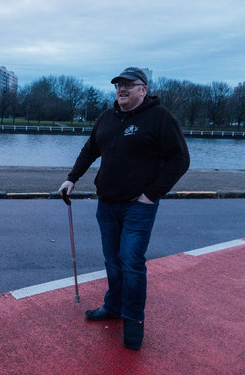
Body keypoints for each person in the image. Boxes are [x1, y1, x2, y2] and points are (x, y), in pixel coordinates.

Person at [58, 67, 189, 350]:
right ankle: (114, 306)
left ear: (143, 89)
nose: (122, 89)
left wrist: (151, 194)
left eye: (129, 85)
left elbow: (180, 159)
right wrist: (71, 178)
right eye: (118, 85)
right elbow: (90, 149)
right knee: (112, 261)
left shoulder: (159, 118)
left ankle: (133, 319)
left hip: (138, 206)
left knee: (131, 262)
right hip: (106, 204)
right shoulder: (107, 117)